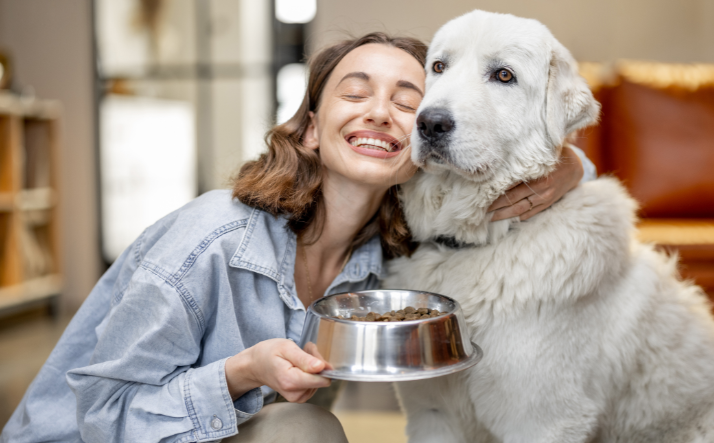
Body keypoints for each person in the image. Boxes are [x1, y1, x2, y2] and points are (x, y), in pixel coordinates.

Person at [1, 32, 595, 443]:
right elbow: (102, 415)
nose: (381, 113)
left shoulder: (394, 260)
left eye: (408, 103)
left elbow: (511, 182)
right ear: (311, 129)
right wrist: (242, 372)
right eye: (355, 93)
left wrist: (573, 166)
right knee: (302, 429)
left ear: (426, 146)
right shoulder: (212, 238)